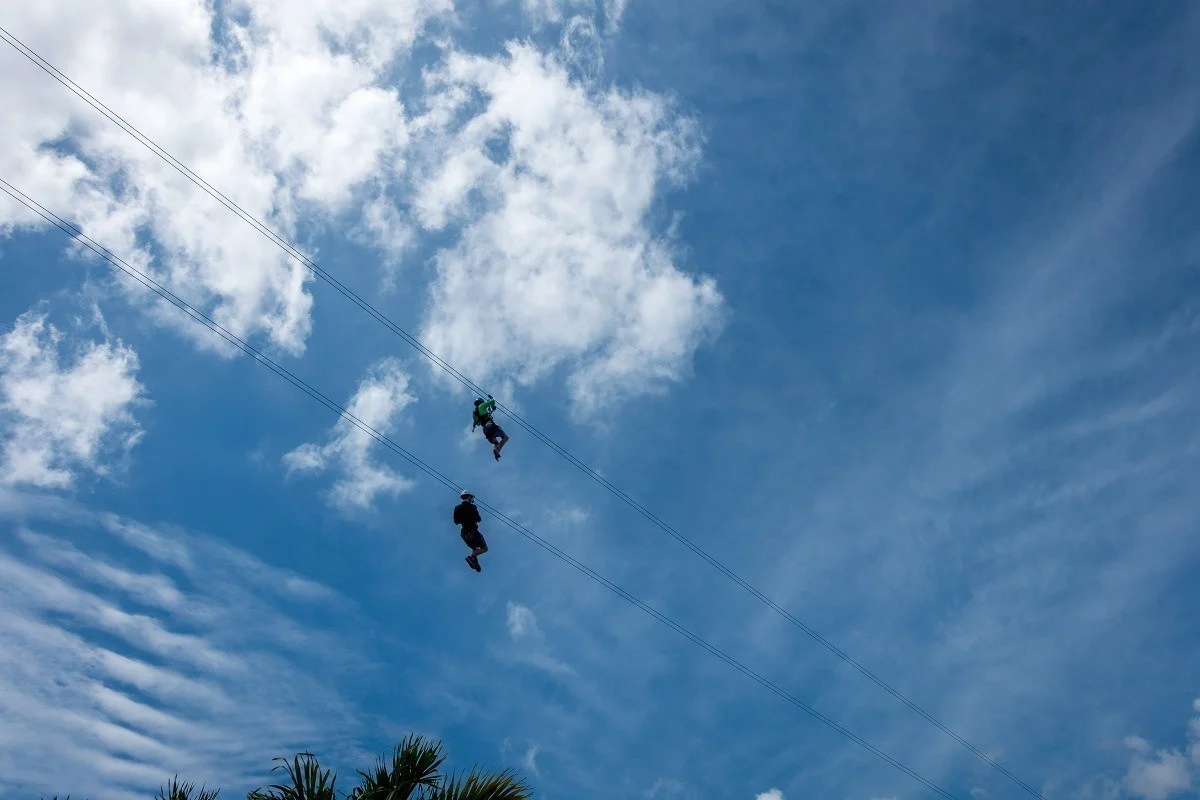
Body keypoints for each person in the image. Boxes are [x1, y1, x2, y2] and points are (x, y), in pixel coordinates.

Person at [453, 490, 487, 572]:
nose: (472, 499)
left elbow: (456, 522)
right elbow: (478, 519)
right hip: (473, 531)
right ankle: (470, 557)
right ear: (468, 496)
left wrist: (463, 519)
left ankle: (475, 561)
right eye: (471, 497)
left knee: (474, 548)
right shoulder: (472, 507)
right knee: (484, 548)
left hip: (464, 533)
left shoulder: (457, 508)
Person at [471, 395, 508, 461]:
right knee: (505, 437)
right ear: (481, 402)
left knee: (496, 443)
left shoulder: (474, 414)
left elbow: (478, 424)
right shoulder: (481, 406)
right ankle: (498, 451)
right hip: (490, 425)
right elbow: (492, 401)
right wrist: (491, 400)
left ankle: (496, 451)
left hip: (485, 430)